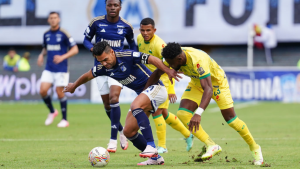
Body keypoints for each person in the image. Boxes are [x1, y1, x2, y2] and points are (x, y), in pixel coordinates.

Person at [145, 42, 264, 165]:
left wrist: (198, 113)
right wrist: (144, 94)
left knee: (231, 119)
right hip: (197, 83)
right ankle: (211, 145)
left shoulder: (198, 59)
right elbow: (157, 73)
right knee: (183, 114)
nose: (169, 66)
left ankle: (255, 147)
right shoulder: (174, 55)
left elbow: (208, 89)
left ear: (180, 59)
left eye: (171, 63)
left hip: (216, 83)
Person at [63, 41, 180, 165]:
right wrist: (74, 86)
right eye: (100, 61)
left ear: (112, 52)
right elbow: (87, 76)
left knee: (135, 106)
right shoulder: (103, 68)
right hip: (145, 96)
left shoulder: (127, 56)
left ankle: (150, 146)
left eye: (105, 59)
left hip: (157, 89)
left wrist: (167, 70)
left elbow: (151, 58)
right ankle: (156, 158)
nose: (104, 63)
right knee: (128, 131)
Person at [83, 0, 137, 153]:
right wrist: (93, 49)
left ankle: (112, 140)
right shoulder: (96, 23)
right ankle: (121, 131)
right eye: (109, 5)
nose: (112, 8)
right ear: (105, 6)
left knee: (114, 98)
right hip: (100, 68)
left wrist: (131, 59)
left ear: (120, 7)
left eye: (115, 5)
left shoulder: (126, 26)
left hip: (118, 67)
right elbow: (86, 40)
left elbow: (132, 45)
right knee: (108, 106)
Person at [137, 18, 193, 153]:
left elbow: (170, 68)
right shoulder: (138, 39)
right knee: (165, 114)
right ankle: (187, 134)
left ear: (154, 30)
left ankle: (162, 146)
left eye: (148, 30)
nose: (145, 33)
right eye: (142, 30)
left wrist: (171, 89)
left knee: (156, 112)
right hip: (150, 81)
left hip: (163, 82)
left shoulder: (159, 45)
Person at [37, 12, 78, 128]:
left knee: (59, 92)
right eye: (51, 18)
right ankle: (52, 111)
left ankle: (64, 119)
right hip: (49, 67)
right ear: (48, 20)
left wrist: (62, 57)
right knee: (42, 90)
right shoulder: (46, 34)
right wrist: (41, 55)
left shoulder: (64, 33)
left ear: (59, 19)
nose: (53, 20)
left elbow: (75, 49)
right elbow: (45, 48)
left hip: (61, 68)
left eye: (55, 18)